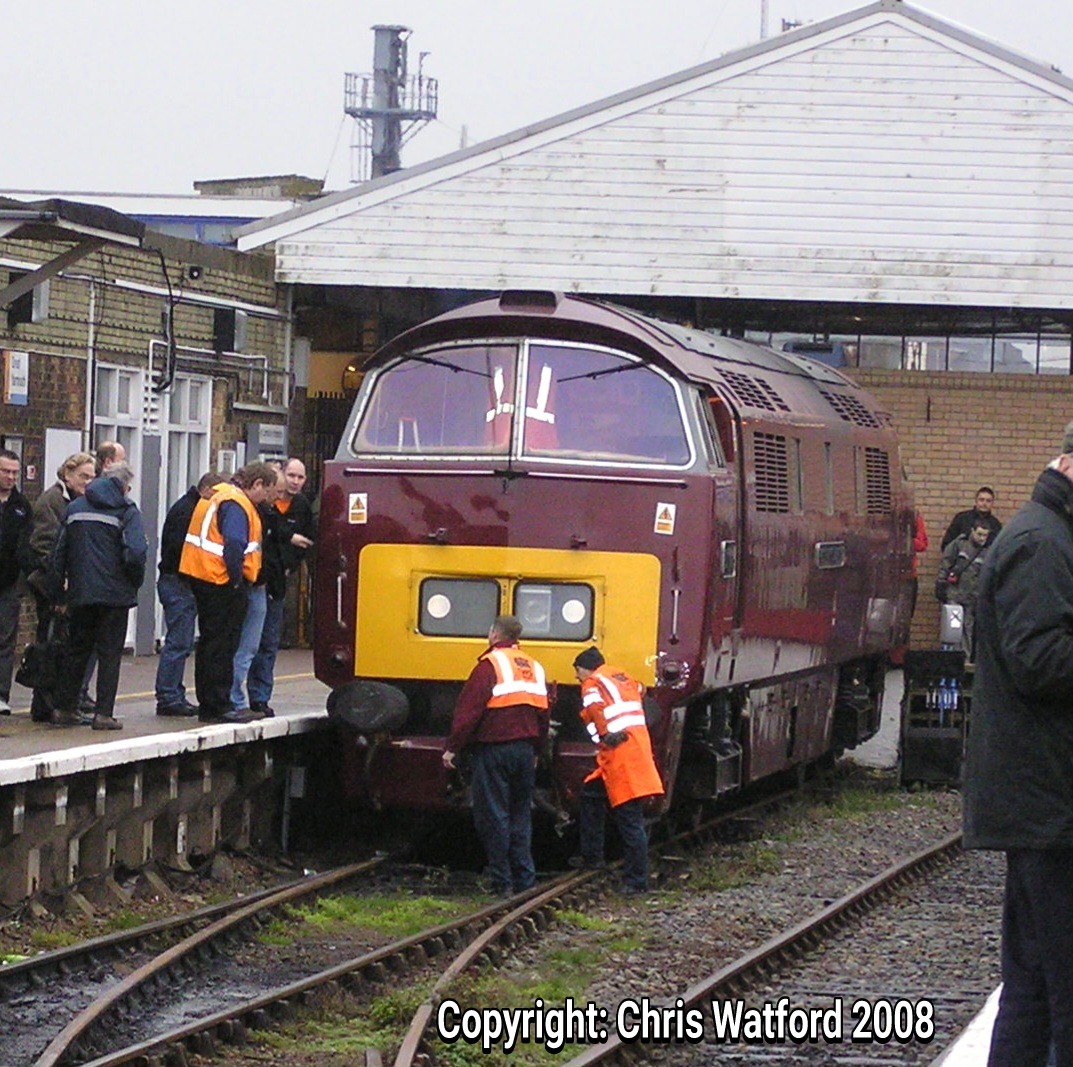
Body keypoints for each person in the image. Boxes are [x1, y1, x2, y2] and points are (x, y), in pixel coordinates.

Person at [962, 443, 1073, 1066]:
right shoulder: (1042, 544)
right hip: (1051, 803)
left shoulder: (1047, 534)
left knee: (1032, 990)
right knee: (1055, 992)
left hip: (1044, 802)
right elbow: (1040, 660)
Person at [442, 615, 550, 895]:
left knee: (494, 815)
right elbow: (544, 716)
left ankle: (501, 882)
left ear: (493, 634)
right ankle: (525, 880)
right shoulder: (534, 667)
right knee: (520, 814)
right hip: (525, 750)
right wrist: (537, 750)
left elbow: (469, 713)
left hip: (494, 749)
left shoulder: (489, 666)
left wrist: (453, 747)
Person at [46, 461, 148, 730]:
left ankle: (64, 709)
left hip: (80, 593)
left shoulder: (76, 508)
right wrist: (132, 583)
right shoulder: (127, 511)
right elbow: (136, 553)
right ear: (125, 486)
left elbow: (58, 554)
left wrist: (58, 593)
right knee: (110, 654)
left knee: (76, 650)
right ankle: (104, 714)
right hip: (115, 596)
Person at [179, 462, 277, 724]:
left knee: (211, 643)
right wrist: (236, 579)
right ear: (257, 484)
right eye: (268, 493)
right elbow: (234, 542)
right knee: (223, 644)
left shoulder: (220, 494)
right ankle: (219, 705)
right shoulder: (235, 503)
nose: (269, 500)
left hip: (203, 576)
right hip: (220, 580)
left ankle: (210, 704)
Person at [572, 647, 664, 894]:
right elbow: (644, 694)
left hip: (620, 759)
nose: (578, 678)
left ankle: (637, 882)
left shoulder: (592, 682)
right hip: (633, 753)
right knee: (591, 796)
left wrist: (604, 734)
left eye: (577, 672)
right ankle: (593, 858)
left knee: (630, 820)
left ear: (584, 668)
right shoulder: (623, 677)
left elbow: (594, 708)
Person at [24, 452, 97, 722]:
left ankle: (60, 701)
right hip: (50, 587)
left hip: (70, 586)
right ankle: (45, 704)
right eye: (83, 476)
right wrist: (59, 585)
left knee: (65, 646)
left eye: (92, 477)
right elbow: (44, 545)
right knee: (51, 646)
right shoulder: (51, 501)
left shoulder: (81, 502)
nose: (88, 482)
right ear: (68, 474)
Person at [247, 457, 315, 716]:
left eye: (301, 477)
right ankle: (238, 697)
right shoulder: (265, 506)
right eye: (292, 476)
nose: (295, 482)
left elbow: (306, 542)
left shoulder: (302, 507)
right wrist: (287, 537)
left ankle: (260, 697)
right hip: (257, 578)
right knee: (249, 643)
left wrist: (290, 565)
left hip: (277, 581)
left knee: (268, 643)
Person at [154, 472, 217, 717]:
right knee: (179, 642)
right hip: (178, 583)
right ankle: (168, 696)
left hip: (177, 582)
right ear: (208, 490)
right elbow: (180, 551)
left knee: (181, 641)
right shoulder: (188, 512)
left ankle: (173, 693)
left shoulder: (188, 507)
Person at [230, 464, 282, 715]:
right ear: (259, 484)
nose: (274, 498)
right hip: (251, 583)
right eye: (273, 491)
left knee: (251, 647)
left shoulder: (251, 509)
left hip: (252, 582)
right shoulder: (244, 509)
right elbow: (241, 547)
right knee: (246, 647)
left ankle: (237, 699)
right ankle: (236, 701)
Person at [0, 450, 31, 714]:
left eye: (14, 472)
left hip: (9, 583)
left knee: (6, 640)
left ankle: (1, 695)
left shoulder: (21, 506)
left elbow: (27, 545)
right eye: (5, 471)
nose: (10, 477)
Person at [934, 517, 990, 657]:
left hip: (972, 598)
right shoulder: (959, 545)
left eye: (985, 535)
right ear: (972, 531)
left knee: (967, 632)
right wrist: (941, 583)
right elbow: (946, 563)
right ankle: (950, 661)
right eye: (979, 534)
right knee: (952, 632)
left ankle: (963, 663)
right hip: (954, 595)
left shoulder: (987, 553)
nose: (982, 538)